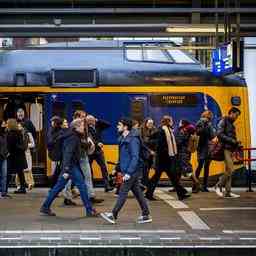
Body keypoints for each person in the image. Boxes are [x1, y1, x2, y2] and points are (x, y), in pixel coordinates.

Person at [40, 118, 98, 217]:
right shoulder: (72, 137)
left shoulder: (75, 135)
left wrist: (89, 144)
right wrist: (66, 169)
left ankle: (45, 206)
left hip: (70, 166)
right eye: (82, 126)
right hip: (70, 166)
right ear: (77, 127)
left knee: (58, 187)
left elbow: (80, 145)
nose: (84, 128)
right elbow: (68, 153)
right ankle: (89, 210)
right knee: (82, 186)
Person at [100, 118, 152, 224]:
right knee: (138, 193)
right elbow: (122, 157)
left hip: (132, 171)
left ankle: (113, 215)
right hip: (127, 170)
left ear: (125, 127)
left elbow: (135, 157)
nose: (117, 126)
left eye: (119, 125)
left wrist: (129, 173)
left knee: (122, 192)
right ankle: (146, 215)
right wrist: (116, 168)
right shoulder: (123, 139)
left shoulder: (133, 139)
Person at [145, 115, 190, 201]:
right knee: (164, 176)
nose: (172, 122)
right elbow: (153, 141)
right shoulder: (162, 130)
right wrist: (161, 150)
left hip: (166, 158)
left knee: (170, 176)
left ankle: (181, 193)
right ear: (168, 122)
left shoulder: (168, 130)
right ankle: (181, 193)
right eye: (171, 121)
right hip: (163, 158)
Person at [215, 107, 241, 198]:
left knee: (228, 170)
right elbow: (219, 134)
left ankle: (228, 192)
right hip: (225, 149)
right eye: (236, 115)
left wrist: (236, 144)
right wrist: (233, 141)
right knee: (231, 170)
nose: (236, 117)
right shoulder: (224, 121)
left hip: (231, 149)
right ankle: (218, 184)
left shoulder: (231, 124)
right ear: (231, 113)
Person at [87, 114, 113, 192]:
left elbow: (108, 125)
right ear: (88, 122)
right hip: (90, 151)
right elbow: (88, 138)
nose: (93, 122)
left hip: (98, 151)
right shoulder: (86, 128)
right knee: (89, 169)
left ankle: (107, 186)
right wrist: (97, 143)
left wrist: (98, 120)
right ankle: (91, 185)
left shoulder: (98, 125)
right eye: (91, 121)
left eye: (93, 120)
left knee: (103, 167)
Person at [194, 110, 215, 192]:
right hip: (206, 147)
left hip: (201, 147)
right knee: (205, 167)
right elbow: (211, 136)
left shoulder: (199, 122)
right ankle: (203, 186)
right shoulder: (207, 124)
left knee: (200, 166)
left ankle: (196, 186)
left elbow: (197, 133)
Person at [175, 120, 199, 190]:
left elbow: (179, 141)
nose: (179, 124)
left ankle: (196, 183)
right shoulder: (189, 130)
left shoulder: (185, 131)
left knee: (186, 169)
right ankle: (176, 186)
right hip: (185, 151)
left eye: (180, 122)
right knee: (178, 169)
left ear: (183, 124)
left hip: (183, 152)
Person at [6, 119, 27, 194]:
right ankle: (23, 188)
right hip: (20, 156)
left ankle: (4, 188)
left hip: (13, 156)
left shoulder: (10, 134)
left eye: (7, 124)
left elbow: (10, 146)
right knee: (20, 173)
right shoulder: (19, 132)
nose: (6, 125)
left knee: (8, 173)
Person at [15, 123, 35, 191]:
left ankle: (30, 183)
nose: (18, 127)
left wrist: (26, 145)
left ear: (23, 127)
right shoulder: (16, 134)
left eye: (20, 126)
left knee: (27, 169)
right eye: (17, 126)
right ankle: (18, 184)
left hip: (26, 153)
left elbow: (33, 144)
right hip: (19, 153)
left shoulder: (28, 134)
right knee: (19, 170)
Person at [140, 118, 157, 188]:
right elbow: (142, 142)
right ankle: (145, 184)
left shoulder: (154, 130)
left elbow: (156, 140)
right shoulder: (141, 130)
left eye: (152, 123)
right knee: (145, 169)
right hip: (144, 153)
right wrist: (149, 150)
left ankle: (145, 184)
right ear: (145, 123)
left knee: (148, 169)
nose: (151, 125)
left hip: (152, 154)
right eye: (149, 123)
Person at [0, 120, 10, 198]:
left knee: (4, 175)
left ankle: (3, 192)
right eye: (3, 124)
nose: (5, 125)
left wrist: (7, 152)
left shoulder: (5, 134)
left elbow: (6, 145)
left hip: (4, 157)